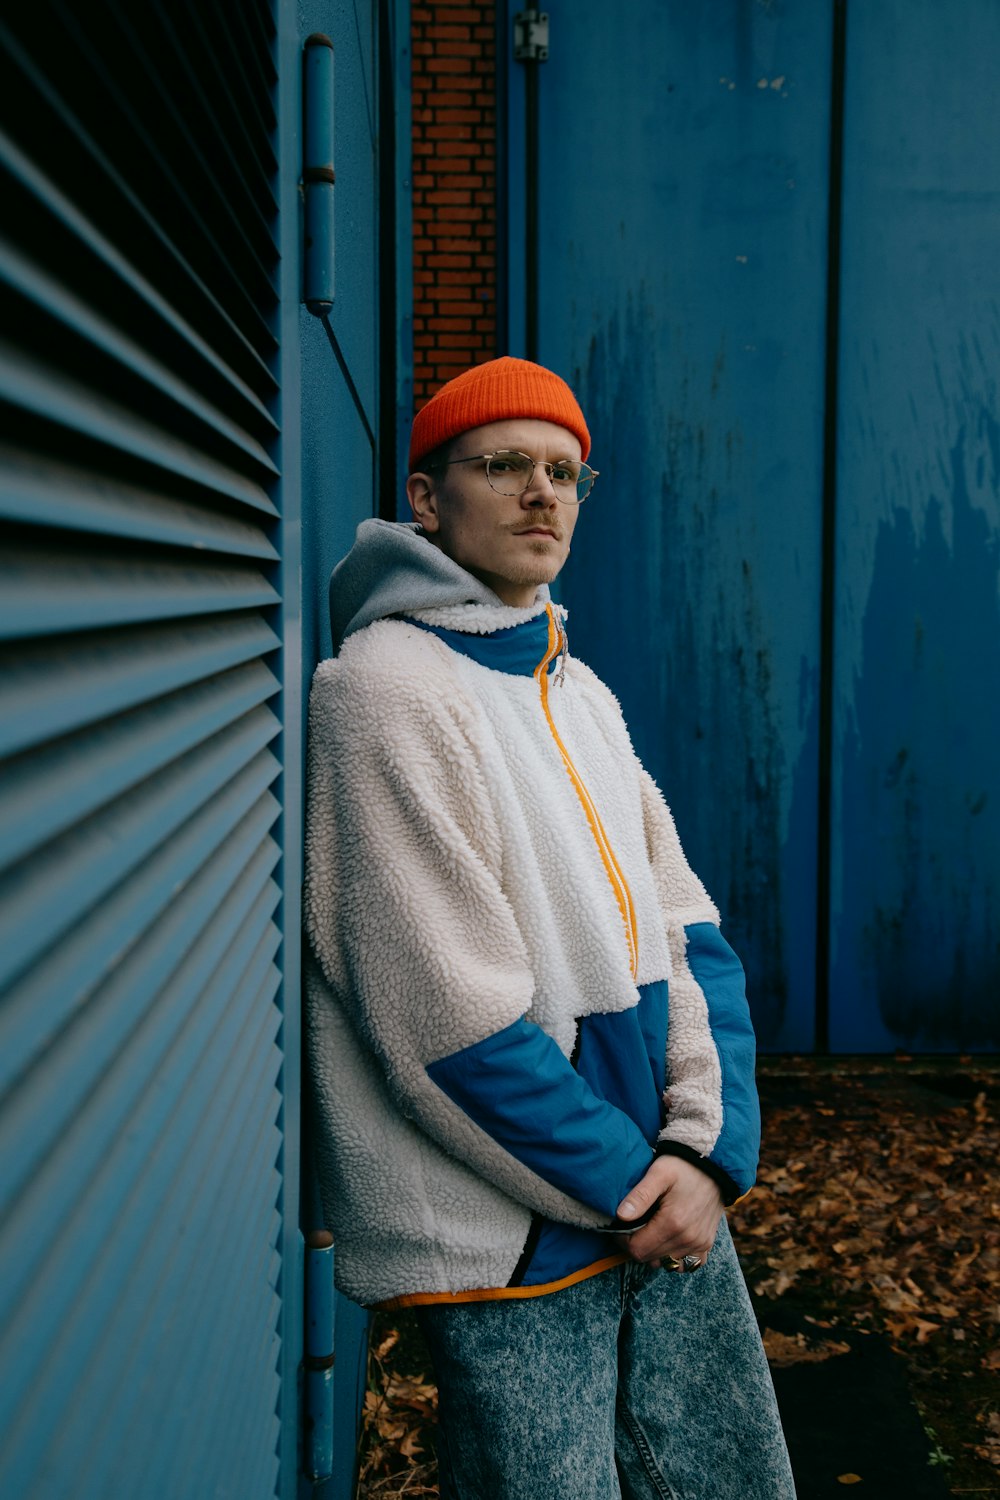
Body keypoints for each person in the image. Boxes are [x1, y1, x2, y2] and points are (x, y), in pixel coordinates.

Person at [304, 356, 795, 1499]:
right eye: (504, 466)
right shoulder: (382, 692)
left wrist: (706, 1154)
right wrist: (634, 1189)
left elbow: (688, 934)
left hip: (660, 1197)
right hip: (518, 1235)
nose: (542, 494)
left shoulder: (579, 691)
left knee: (726, 1478)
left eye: (564, 472)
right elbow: (446, 1023)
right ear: (426, 499)